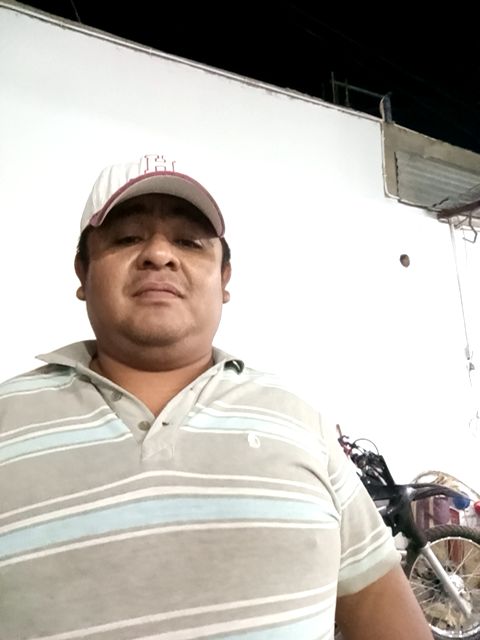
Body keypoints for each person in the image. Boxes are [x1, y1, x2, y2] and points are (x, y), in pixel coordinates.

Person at [0, 153, 432, 640]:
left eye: (188, 241)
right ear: (82, 273)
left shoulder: (298, 420)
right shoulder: (6, 419)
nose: (159, 254)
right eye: (127, 237)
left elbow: (381, 607)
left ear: (225, 280)